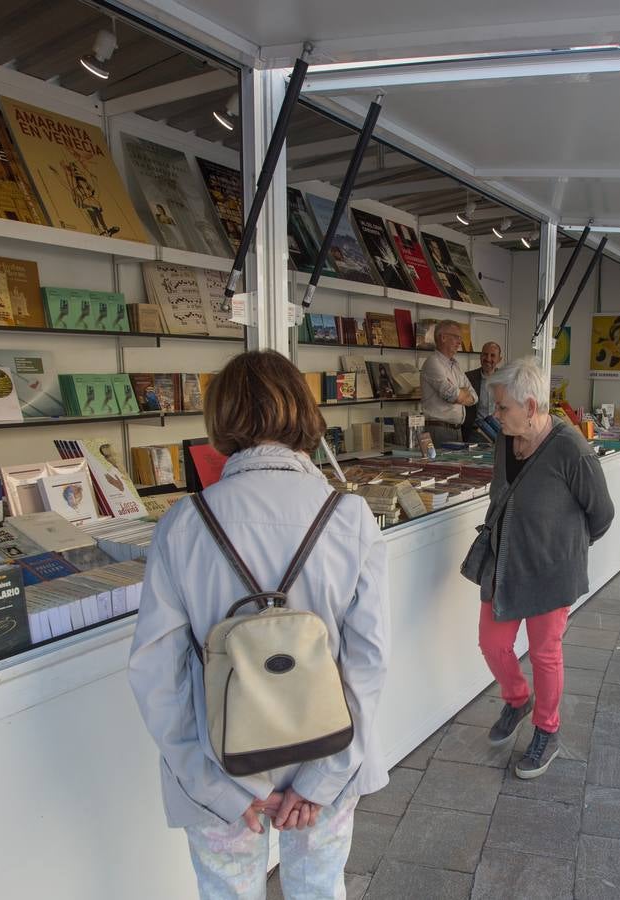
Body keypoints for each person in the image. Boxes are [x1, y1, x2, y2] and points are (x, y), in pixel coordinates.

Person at [127, 350, 390, 899]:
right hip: (327, 750)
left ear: (220, 420)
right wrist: (322, 781)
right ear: (302, 411)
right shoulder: (349, 518)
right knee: (318, 887)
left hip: (222, 758)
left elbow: (156, 674)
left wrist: (216, 789)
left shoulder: (183, 524)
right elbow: (368, 663)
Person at [474, 358, 613, 779]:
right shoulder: (505, 440)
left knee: (544, 653)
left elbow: (602, 513)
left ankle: (547, 730)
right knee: (493, 644)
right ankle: (518, 699)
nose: (495, 416)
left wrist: (565, 547)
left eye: (502, 409)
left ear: (530, 406)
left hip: (552, 570)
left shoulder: (572, 448)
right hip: (505, 564)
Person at [419, 320, 477, 446]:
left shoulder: (455, 365)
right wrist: (461, 393)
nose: (459, 342)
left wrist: (461, 394)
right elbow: (453, 396)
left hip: (457, 430)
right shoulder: (433, 363)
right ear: (443, 337)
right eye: (456, 337)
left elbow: (474, 396)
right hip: (439, 430)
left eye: (460, 338)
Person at [463, 341, 503, 441]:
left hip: (499, 431)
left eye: (492, 355)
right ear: (480, 356)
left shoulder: (505, 380)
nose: (488, 359)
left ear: (499, 359)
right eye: (485, 354)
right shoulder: (468, 378)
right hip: (475, 433)